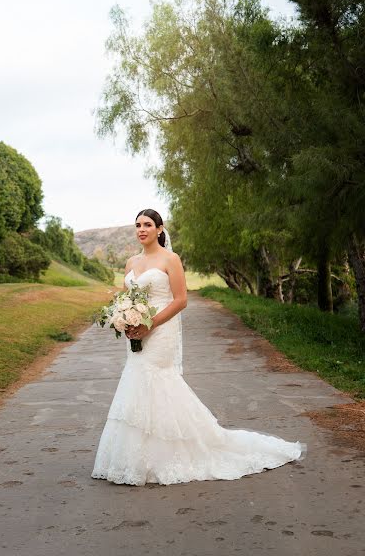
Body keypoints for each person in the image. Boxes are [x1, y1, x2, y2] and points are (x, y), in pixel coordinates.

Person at [91, 208, 306, 486]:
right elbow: (127, 297)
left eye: (147, 224)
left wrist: (150, 324)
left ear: (159, 229)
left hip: (160, 329)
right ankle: (139, 457)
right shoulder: (131, 262)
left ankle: (176, 452)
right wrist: (126, 320)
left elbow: (180, 300)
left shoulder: (171, 259)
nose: (141, 229)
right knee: (137, 382)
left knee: (156, 380)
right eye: (137, 225)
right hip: (137, 330)